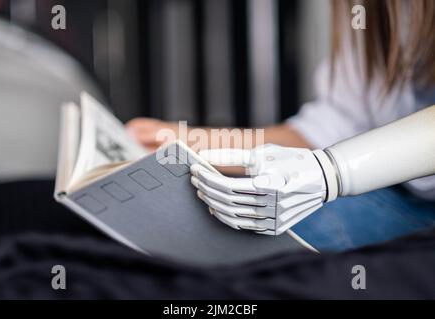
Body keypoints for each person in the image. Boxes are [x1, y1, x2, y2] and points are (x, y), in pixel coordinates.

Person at [126, 0, 435, 250]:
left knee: (298, 231)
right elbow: (333, 124)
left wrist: (330, 172)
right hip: (405, 196)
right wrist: (192, 142)